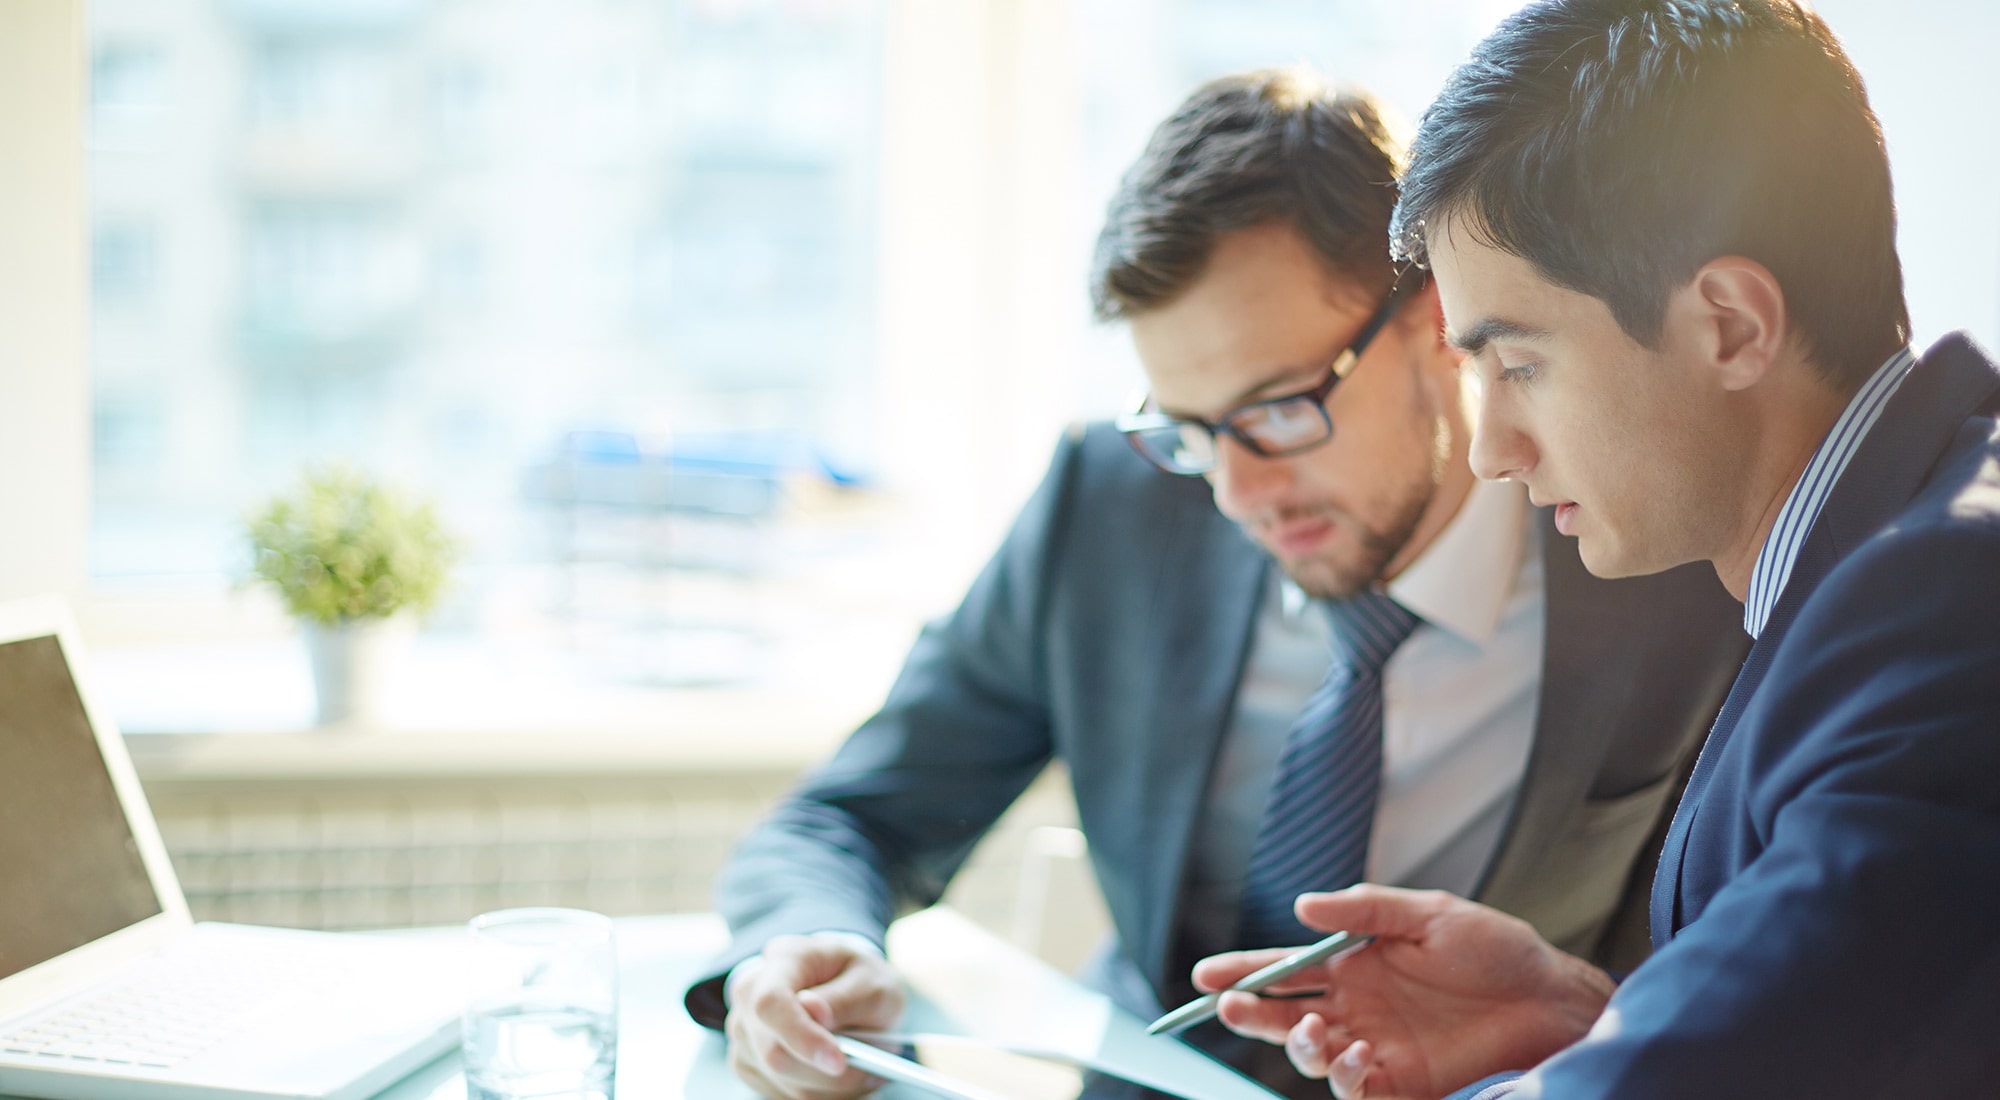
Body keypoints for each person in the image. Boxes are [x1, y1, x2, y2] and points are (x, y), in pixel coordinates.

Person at [685, 68, 1747, 1100]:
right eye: (1188, 431)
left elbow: (1758, 983)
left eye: (1279, 406)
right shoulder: (1106, 507)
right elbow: (849, 817)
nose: (1237, 493)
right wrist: (804, 950)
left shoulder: (1660, 562)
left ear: (1434, 316)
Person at [1193, 3, 2000, 1098]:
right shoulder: (1881, 557)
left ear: (1728, 324)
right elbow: (1852, 1024)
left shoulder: (1943, 594)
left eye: (1516, 363)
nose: (1488, 450)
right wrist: (1593, 1016)